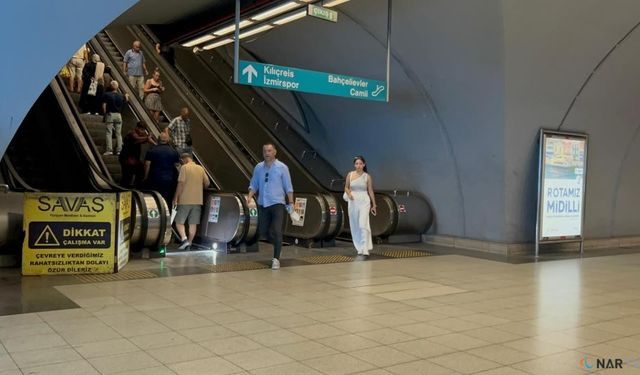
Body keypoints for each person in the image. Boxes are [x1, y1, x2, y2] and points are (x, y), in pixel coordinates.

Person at [247, 143, 294, 270]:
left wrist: (291, 203)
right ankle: (278, 246)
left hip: (277, 203)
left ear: (274, 152)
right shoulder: (258, 167)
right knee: (262, 231)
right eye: (265, 151)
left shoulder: (282, 167)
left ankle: (276, 259)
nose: (267, 153)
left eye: (269, 151)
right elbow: (254, 183)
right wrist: (250, 196)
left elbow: (288, 187)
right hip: (263, 203)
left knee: (277, 230)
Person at [173, 152, 210, 250]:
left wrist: (175, 198)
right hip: (198, 200)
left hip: (185, 200)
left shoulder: (184, 168)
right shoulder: (200, 168)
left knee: (179, 222)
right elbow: (207, 183)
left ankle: (184, 239)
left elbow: (180, 184)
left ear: (183, 160)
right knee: (193, 224)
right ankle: (189, 243)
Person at [343, 156, 377, 256]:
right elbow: (346, 187)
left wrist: (374, 205)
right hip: (353, 201)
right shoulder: (350, 174)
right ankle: (359, 247)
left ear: (364, 165)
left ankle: (365, 247)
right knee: (355, 224)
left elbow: (370, 191)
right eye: (357, 163)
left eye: (360, 163)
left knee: (363, 223)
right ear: (354, 165)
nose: (358, 165)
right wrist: (349, 194)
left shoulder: (367, 176)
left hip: (364, 200)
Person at [144, 132, 180, 205]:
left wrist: (145, 177)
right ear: (168, 140)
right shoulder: (174, 152)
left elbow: (147, 165)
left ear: (158, 139)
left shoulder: (152, 151)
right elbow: (177, 166)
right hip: (169, 180)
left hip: (154, 179)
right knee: (167, 200)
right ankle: (166, 213)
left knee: (154, 199)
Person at [119, 121, 156, 188]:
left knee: (140, 173)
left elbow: (141, 140)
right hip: (127, 159)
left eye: (144, 130)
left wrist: (151, 142)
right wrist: (147, 137)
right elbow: (136, 138)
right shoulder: (131, 133)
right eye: (141, 129)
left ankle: (135, 187)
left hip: (134, 159)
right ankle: (124, 188)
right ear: (137, 128)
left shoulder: (139, 135)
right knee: (127, 176)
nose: (142, 131)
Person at [101, 81, 128, 155]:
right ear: (117, 87)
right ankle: (119, 150)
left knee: (109, 132)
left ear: (110, 86)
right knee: (118, 133)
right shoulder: (121, 95)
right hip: (119, 115)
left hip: (110, 114)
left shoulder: (107, 94)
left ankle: (109, 150)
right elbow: (126, 101)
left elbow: (104, 106)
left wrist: (105, 114)